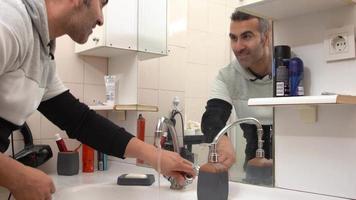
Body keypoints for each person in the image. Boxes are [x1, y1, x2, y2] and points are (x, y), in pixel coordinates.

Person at [0, 0, 195, 199]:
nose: (101, 19)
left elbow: (81, 121)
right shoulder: (10, 21)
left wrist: (155, 156)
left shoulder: (42, 53)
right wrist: (16, 176)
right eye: (101, 4)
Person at [201, 10, 273, 176]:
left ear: (266, 38)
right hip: (254, 164)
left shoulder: (291, 67)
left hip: (297, 160)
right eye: (233, 38)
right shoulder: (227, 76)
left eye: (246, 36)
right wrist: (221, 140)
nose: (238, 47)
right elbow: (212, 117)